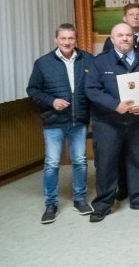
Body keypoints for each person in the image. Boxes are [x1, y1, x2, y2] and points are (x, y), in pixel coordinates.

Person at [85, 23, 139, 222]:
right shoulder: (99, 62)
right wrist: (114, 105)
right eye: (120, 35)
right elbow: (92, 89)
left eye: (128, 35)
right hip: (108, 122)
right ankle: (103, 204)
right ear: (112, 40)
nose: (125, 38)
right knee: (106, 163)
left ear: (134, 38)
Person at [27, 24, 94, 224]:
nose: (67, 42)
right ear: (56, 40)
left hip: (78, 121)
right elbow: (33, 89)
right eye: (63, 38)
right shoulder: (43, 63)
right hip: (53, 122)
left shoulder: (88, 60)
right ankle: (51, 204)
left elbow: (94, 87)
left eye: (71, 38)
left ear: (76, 40)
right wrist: (52, 101)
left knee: (80, 161)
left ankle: (80, 199)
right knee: (52, 163)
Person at [101, 3, 139, 197]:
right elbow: (102, 80)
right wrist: (115, 104)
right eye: (131, 14)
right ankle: (123, 187)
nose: (136, 17)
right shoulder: (107, 50)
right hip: (118, 110)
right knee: (119, 149)